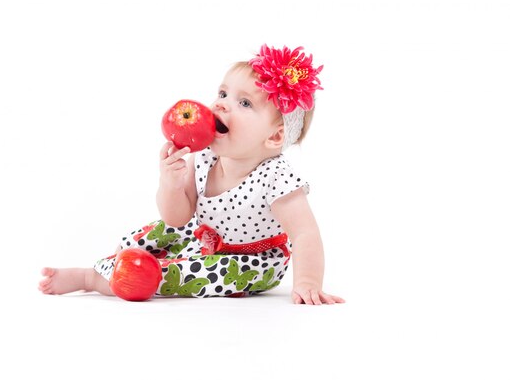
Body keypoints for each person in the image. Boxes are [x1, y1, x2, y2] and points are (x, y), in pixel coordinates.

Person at [38, 44, 345, 305]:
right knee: (153, 233)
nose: (221, 104)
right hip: (203, 238)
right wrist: (170, 182)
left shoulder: (275, 177)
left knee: (185, 273)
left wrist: (307, 282)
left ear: (275, 138)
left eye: (244, 102)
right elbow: (176, 218)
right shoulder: (205, 157)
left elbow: (305, 233)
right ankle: (107, 266)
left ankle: (98, 279)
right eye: (223, 93)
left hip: (251, 263)